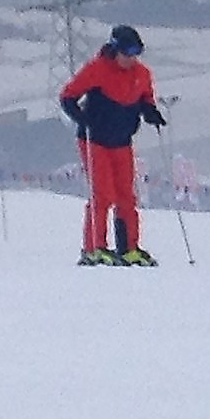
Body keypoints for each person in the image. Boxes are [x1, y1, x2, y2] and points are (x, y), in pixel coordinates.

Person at [59, 24, 166, 266]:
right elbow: (68, 97)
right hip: (95, 140)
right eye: (127, 53)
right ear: (114, 50)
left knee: (126, 195)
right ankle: (94, 247)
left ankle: (128, 247)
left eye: (136, 53)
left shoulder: (142, 73)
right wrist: (80, 117)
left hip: (122, 140)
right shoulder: (97, 70)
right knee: (103, 193)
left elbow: (146, 99)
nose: (131, 59)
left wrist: (150, 112)